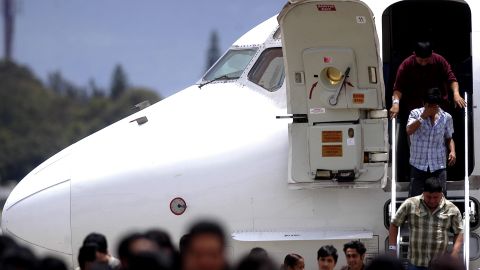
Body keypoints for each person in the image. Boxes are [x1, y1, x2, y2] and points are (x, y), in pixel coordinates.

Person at [388, 41, 465, 183]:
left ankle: (443, 172)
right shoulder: (406, 65)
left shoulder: (439, 61)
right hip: (415, 110)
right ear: (414, 55)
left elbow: (451, 78)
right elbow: (398, 87)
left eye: (426, 60)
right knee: (414, 143)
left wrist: (456, 94)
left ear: (432, 54)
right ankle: (413, 172)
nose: (423, 63)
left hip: (438, 108)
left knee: (442, 138)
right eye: (420, 60)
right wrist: (396, 104)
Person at [388, 177, 463, 270]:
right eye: (428, 197)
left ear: (441, 193)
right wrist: (392, 248)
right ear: (423, 192)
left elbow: (459, 232)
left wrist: (455, 253)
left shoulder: (452, 209)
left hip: (439, 265)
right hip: (415, 264)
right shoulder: (410, 204)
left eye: (435, 197)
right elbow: (394, 224)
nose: (432, 200)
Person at [406, 87, 455, 196]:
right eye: (430, 106)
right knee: (415, 200)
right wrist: (423, 116)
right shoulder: (415, 113)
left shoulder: (446, 117)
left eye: (435, 106)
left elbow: (449, 137)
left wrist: (452, 151)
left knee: (440, 199)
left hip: (438, 165)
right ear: (425, 104)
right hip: (418, 165)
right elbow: (409, 130)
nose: (433, 108)